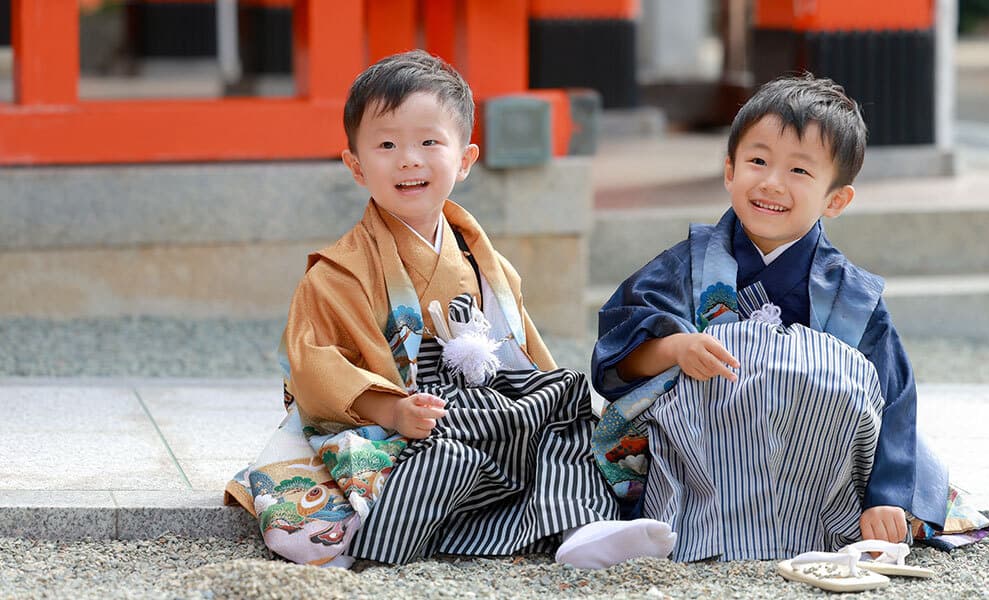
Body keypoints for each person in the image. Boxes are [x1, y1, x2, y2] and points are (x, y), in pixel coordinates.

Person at [227, 50, 674, 568]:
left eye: (428, 142)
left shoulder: (490, 267)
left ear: (464, 160)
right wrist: (393, 409)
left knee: (569, 407)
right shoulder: (337, 274)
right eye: (387, 144)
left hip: (489, 411)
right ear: (354, 165)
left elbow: (528, 363)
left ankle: (580, 532)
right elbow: (314, 370)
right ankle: (392, 541)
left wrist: (554, 405)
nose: (408, 159)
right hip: (405, 424)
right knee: (445, 457)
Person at [590, 73, 963, 562]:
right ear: (730, 170)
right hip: (705, 467)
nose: (771, 182)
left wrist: (887, 499)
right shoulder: (685, 268)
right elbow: (615, 360)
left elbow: (893, 399)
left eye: (799, 172)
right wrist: (675, 349)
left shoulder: (852, 297)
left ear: (836, 199)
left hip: (812, 481)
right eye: (758, 161)